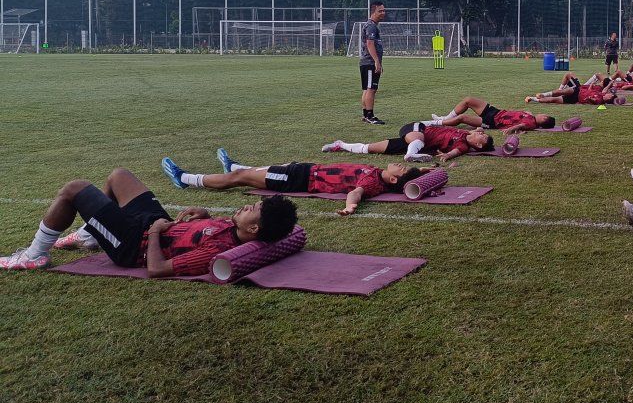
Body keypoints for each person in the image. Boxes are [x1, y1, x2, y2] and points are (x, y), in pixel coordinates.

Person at [0, 167, 298, 274]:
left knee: (74, 190)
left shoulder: (217, 250)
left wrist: (155, 233)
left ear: (254, 228)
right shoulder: (239, 228)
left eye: (252, 208)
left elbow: (156, 269)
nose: (246, 205)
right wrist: (204, 215)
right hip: (158, 224)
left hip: (135, 245)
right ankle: (91, 235)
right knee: (119, 176)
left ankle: (34, 256)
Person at [162, 149, 436, 216]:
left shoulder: (372, 180)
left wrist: (350, 207)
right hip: (305, 171)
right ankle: (235, 165)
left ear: (392, 178)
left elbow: (356, 192)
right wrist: (430, 172)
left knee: (239, 179)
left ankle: (186, 179)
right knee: (255, 170)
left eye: (400, 168)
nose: (398, 164)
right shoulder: (380, 175)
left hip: (301, 179)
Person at [321, 122, 493, 165]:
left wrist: (447, 155)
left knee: (369, 148)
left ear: (478, 146)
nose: (481, 135)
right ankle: (411, 155)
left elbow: (455, 153)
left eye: (483, 138)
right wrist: (478, 129)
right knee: (419, 138)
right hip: (416, 129)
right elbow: (477, 127)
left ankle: (340, 144)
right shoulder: (466, 132)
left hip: (414, 142)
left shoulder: (463, 145)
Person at [427, 97, 555, 134]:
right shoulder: (530, 116)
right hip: (496, 112)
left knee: (462, 119)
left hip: (492, 121)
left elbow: (520, 125)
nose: (542, 113)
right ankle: (445, 118)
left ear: (544, 119)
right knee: (468, 100)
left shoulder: (531, 123)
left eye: (544, 115)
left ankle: (435, 123)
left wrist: (511, 130)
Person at [360, 1, 387, 124]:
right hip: (370, 62)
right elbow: (370, 44)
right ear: (373, 12)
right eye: (380, 11)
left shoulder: (371, 25)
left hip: (367, 62)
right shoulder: (371, 26)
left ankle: (366, 115)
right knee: (371, 89)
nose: (383, 13)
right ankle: (370, 116)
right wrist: (377, 61)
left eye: (383, 10)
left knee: (367, 89)